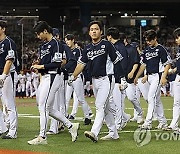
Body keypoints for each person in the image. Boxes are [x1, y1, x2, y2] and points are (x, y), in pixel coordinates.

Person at [69, 21, 127, 142]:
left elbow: (117, 61)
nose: (94, 31)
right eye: (91, 29)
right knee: (105, 108)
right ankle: (113, 133)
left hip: (107, 78)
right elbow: (81, 64)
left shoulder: (107, 45)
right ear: (89, 32)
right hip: (95, 80)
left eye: (96, 29)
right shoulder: (88, 48)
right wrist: (73, 75)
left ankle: (94, 132)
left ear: (101, 31)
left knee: (100, 105)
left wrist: (122, 78)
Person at [27, 21, 79, 145]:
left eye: (39, 33)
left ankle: (42, 137)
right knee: (47, 108)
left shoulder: (56, 44)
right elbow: (45, 63)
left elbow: (56, 63)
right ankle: (71, 126)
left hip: (53, 76)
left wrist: (40, 66)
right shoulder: (43, 46)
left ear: (45, 31)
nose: (38, 36)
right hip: (45, 77)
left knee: (43, 107)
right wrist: (37, 67)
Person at [134, 29, 170, 129]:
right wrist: (137, 76)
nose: (148, 42)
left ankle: (148, 122)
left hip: (157, 76)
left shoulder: (161, 49)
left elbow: (167, 64)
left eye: (150, 40)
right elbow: (143, 65)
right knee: (156, 100)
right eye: (147, 40)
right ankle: (163, 122)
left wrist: (163, 77)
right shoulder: (147, 50)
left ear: (155, 38)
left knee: (151, 97)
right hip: (149, 76)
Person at [106, 27, 131, 130]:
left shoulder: (119, 47)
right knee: (110, 101)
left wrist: (122, 78)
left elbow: (123, 63)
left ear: (110, 36)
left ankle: (118, 123)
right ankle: (125, 117)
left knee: (117, 102)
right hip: (114, 77)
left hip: (119, 78)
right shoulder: (117, 46)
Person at [64, 34, 91, 125]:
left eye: (68, 40)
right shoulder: (67, 51)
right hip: (68, 76)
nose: (67, 42)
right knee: (66, 98)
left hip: (76, 76)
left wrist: (75, 74)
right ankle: (64, 116)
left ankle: (87, 116)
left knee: (80, 98)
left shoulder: (78, 50)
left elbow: (79, 64)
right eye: (66, 40)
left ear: (73, 40)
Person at [0, 20, 18, 139]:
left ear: (3, 28)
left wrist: (3, 75)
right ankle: (2, 128)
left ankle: (13, 131)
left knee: (9, 103)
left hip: (7, 75)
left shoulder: (9, 42)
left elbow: (9, 60)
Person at [167, 27, 180, 132]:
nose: (176, 40)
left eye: (177, 37)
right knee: (176, 102)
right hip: (178, 76)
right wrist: (173, 70)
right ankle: (173, 125)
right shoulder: (179, 49)